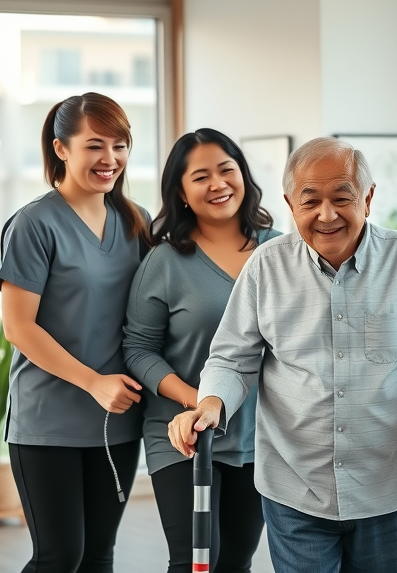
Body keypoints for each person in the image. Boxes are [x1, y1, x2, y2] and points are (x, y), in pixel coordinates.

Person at [167, 136, 397, 573]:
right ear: (290, 205)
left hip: (389, 488)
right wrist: (210, 404)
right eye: (310, 201)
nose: (327, 215)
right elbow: (231, 359)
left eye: (342, 198)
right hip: (295, 489)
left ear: (368, 199)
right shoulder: (265, 267)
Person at [0, 92, 151, 573]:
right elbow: (18, 327)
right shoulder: (34, 224)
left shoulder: (137, 221)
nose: (110, 159)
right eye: (95, 145)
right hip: (48, 422)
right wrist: (93, 382)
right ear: (61, 149)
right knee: (60, 558)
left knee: (98, 559)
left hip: (117, 419)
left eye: (120, 146)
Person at [122, 128, 278, 573]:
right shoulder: (165, 261)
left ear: (243, 174)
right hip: (182, 433)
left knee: (236, 562)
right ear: (181, 192)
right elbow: (138, 350)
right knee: (194, 561)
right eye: (201, 176)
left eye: (227, 170)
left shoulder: (282, 251)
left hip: (257, 436)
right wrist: (203, 402)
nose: (218, 184)